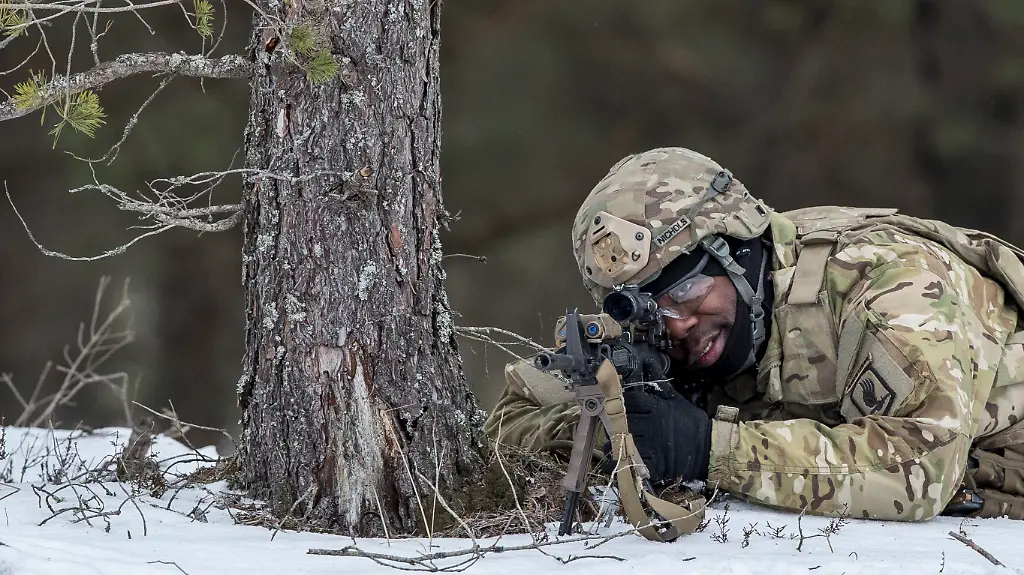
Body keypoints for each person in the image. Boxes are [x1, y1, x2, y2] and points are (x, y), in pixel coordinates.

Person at [484, 146, 1024, 522]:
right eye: (649, 309)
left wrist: (706, 448)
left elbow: (920, 467)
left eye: (688, 289)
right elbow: (514, 411)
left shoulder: (887, 282)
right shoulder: (663, 336)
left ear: (738, 249)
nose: (678, 326)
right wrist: (613, 433)